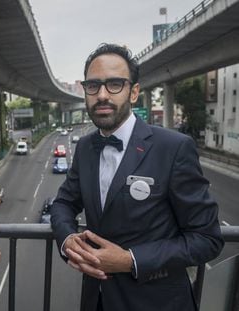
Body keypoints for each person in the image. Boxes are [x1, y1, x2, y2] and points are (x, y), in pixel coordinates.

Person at [50, 43, 224, 311]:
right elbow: (63, 203)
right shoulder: (85, 147)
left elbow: (207, 239)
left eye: (115, 84)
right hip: (96, 301)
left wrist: (131, 260)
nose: (102, 95)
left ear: (133, 93)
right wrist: (67, 240)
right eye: (93, 86)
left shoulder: (174, 148)